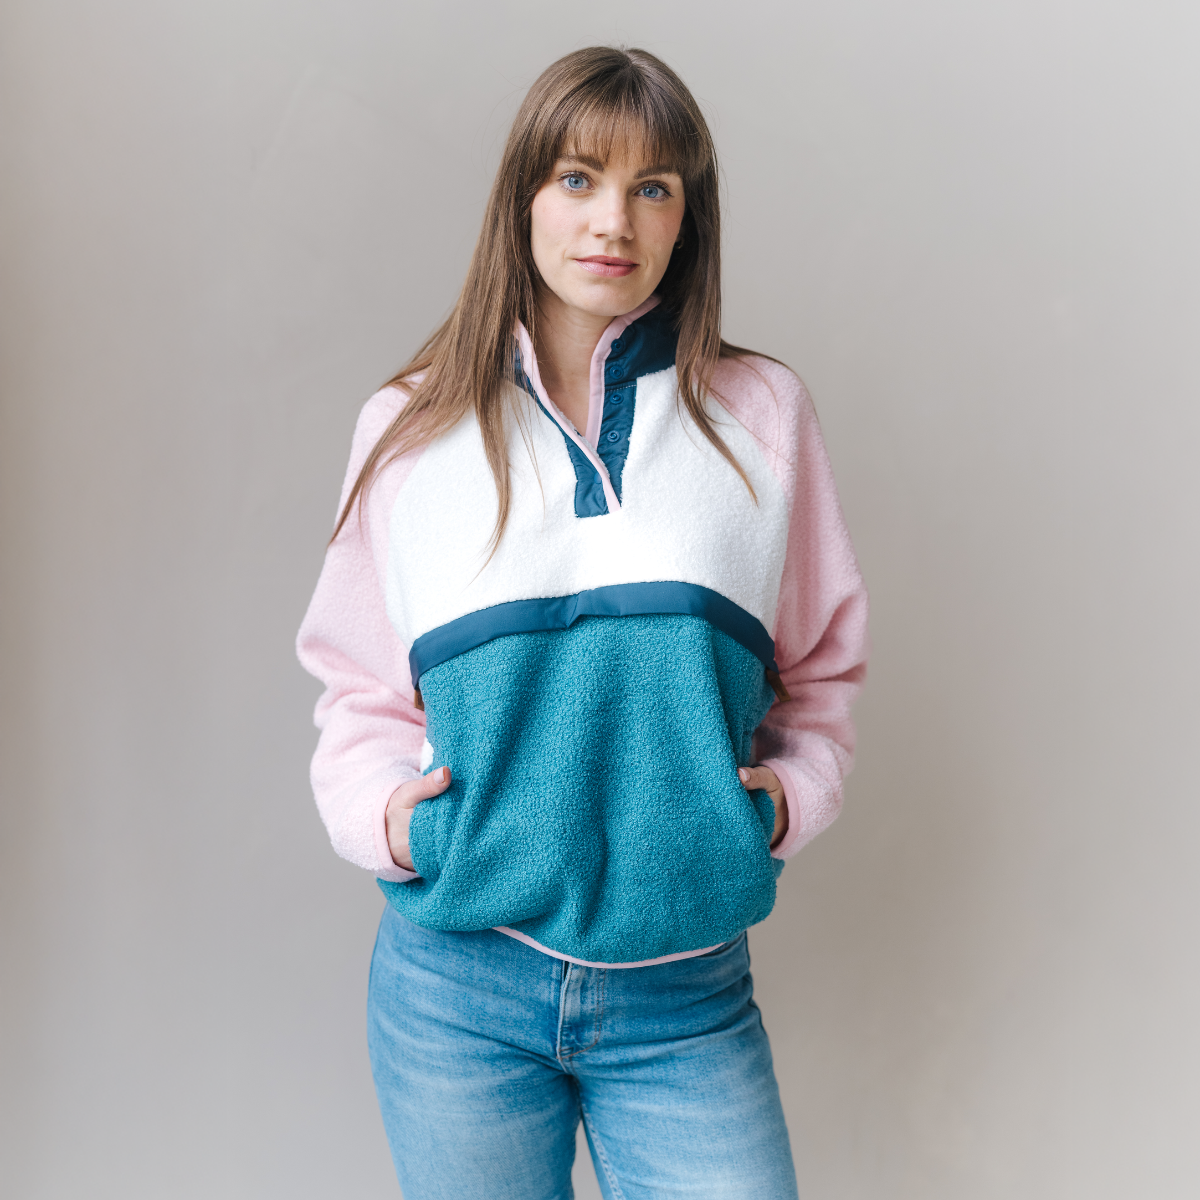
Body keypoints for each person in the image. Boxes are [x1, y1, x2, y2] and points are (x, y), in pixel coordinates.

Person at [297, 45, 868, 1200]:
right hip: (458, 986)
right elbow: (360, 687)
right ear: (523, 199)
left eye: (653, 187)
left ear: (686, 218)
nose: (614, 219)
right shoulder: (409, 431)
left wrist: (784, 803)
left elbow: (821, 671)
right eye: (577, 179)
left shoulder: (761, 414)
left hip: (683, 994)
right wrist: (390, 824)